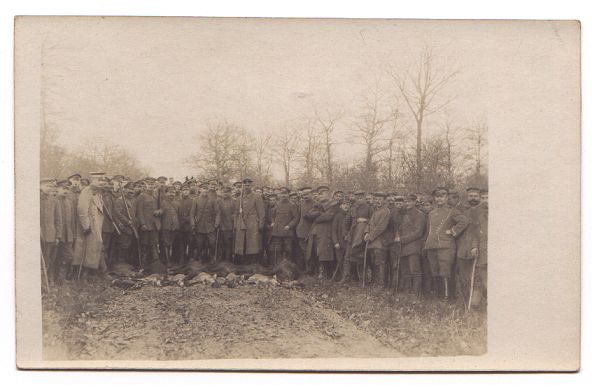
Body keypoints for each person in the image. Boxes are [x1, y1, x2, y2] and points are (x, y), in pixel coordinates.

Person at [424, 187, 470, 302]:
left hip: (446, 247)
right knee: (435, 271)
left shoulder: (452, 211)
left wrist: (453, 231)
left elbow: (464, 221)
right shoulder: (431, 213)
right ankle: (439, 295)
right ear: (434, 198)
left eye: (442, 196)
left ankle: (447, 297)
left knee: (445, 272)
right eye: (437, 197)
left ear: (446, 198)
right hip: (431, 246)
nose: (439, 199)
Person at [72, 172, 109, 280]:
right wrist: (86, 226)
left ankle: (93, 272)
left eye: (103, 181)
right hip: (89, 225)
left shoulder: (97, 193)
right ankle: (83, 275)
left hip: (96, 224)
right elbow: (82, 209)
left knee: (94, 247)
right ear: (92, 180)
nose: (102, 183)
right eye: (99, 180)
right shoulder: (86, 191)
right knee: (86, 249)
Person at [457, 187, 488, 309]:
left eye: (476, 196)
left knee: (483, 278)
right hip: (465, 250)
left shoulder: (484, 213)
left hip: (481, 251)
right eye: (470, 196)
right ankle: (469, 302)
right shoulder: (464, 212)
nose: (473, 198)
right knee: (467, 278)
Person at [397, 194, 426, 298]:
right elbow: (400, 228)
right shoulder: (405, 214)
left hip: (414, 247)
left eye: (409, 201)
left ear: (415, 202)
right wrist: (398, 235)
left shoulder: (419, 214)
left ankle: (416, 294)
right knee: (405, 270)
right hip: (404, 247)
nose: (407, 203)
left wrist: (403, 239)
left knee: (415, 270)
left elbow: (418, 232)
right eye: (406, 201)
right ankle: (407, 291)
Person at [234, 178, 265, 264]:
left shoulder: (257, 197)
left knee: (253, 245)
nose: (247, 186)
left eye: (249, 185)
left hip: (253, 224)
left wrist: (261, 225)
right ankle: (242, 263)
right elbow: (236, 213)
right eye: (245, 185)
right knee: (242, 244)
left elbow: (261, 212)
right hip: (241, 223)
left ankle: (253, 263)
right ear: (243, 186)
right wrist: (236, 225)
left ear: (251, 186)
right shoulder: (239, 199)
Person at [364, 192, 391, 287]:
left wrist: (370, 236)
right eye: (376, 199)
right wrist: (366, 232)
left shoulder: (386, 211)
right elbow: (370, 224)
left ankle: (381, 284)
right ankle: (375, 281)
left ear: (384, 201)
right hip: (373, 242)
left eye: (380, 199)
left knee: (381, 263)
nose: (378, 201)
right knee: (374, 262)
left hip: (381, 242)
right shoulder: (376, 211)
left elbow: (381, 227)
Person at [190, 180, 221, 264]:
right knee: (199, 244)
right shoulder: (195, 200)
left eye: (206, 189)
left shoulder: (213, 200)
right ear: (200, 189)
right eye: (203, 189)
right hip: (199, 225)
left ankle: (211, 257)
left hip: (210, 226)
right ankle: (200, 258)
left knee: (212, 243)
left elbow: (217, 212)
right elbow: (192, 214)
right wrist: (193, 224)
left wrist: (217, 223)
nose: (205, 190)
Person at [135, 178, 161, 270]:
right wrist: (142, 224)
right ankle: (143, 265)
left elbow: (159, 207)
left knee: (153, 244)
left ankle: (153, 265)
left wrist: (158, 211)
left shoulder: (154, 196)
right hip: (146, 225)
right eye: (149, 184)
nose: (151, 186)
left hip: (154, 225)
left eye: (152, 184)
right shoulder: (142, 196)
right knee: (144, 245)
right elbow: (139, 211)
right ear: (146, 185)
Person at [269, 187, 299, 266]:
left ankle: (288, 267)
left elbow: (296, 218)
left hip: (287, 232)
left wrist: (289, 226)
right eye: (282, 193)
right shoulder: (277, 204)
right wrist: (273, 222)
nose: (283, 195)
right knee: (277, 250)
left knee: (288, 249)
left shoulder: (292, 205)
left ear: (288, 194)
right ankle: (278, 266)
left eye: (285, 193)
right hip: (277, 232)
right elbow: (272, 216)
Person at [40, 178, 62, 284]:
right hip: (39, 236)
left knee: (49, 259)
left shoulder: (54, 201)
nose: (49, 189)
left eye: (50, 186)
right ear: (40, 186)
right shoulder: (35, 200)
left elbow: (58, 220)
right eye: (47, 186)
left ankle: (48, 280)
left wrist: (58, 236)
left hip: (51, 236)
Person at [113, 182, 139, 267]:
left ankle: (127, 262)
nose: (130, 191)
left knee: (130, 244)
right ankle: (120, 262)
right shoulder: (120, 200)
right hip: (124, 226)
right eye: (129, 189)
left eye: (132, 189)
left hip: (133, 226)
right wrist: (127, 222)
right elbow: (118, 213)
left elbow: (136, 213)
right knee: (123, 244)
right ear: (124, 189)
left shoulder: (134, 200)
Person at [56, 179, 77, 281]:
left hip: (68, 234)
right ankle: (53, 278)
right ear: (58, 188)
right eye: (63, 188)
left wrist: (73, 233)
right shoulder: (54, 200)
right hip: (56, 234)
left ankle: (62, 277)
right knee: (54, 256)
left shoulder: (69, 202)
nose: (65, 190)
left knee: (68, 256)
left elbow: (72, 219)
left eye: (67, 188)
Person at [160, 186, 180, 266]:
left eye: (173, 192)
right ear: (166, 193)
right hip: (166, 226)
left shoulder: (177, 203)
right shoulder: (162, 203)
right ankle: (167, 261)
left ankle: (172, 260)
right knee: (166, 244)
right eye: (170, 192)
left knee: (172, 243)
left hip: (175, 226)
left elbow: (179, 215)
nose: (172, 194)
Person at [295, 187, 314, 270]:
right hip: (300, 231)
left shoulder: (315, 204)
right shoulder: (301, 204)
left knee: (309, 251)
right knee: (301, 250)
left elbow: (315, 220)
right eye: (303, 195)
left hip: (310, 231)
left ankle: (309, 269)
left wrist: (310, 232)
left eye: (307, 194)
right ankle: (302, 269)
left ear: (311, 194)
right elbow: (299, 217)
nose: (305, 196)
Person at [174, 184, 193, 263]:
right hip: (180, 226)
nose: (185, 192)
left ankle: (190, 259)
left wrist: (187, 219)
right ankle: (181, 259)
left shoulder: (192, 201)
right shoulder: (177, 201)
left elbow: (194, 213)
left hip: (189, 226)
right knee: (181, 244)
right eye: (184, 190)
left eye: (187, 190)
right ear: (181, 191)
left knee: (190, 242)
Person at [217, 186, 236, 262]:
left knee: (228, 244)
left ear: (230, 193)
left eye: (227, 192)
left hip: (229, 226)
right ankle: (220, 259)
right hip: (220, 226)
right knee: (220, 243)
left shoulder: (233, 202)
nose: (225, 193)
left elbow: (235, 213)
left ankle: (228, 260)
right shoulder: (219, 201)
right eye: (224, 192)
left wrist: (232, 219)